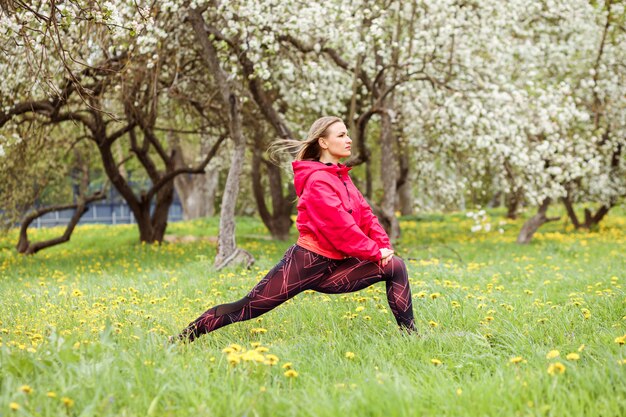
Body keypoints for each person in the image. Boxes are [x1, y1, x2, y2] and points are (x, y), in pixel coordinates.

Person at [175, 116, 415, 342]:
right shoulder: (318, 180)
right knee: (247, 308)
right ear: (323, 142)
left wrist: (384, 247)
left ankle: (410, 338)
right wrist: (374, 252)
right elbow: (340, 227)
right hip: (305, 263)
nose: (349, 139)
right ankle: (180, 340)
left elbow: (366, 216)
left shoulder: (341, 177)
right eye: (341, 135)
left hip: (334, 267)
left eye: (347, 135)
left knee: (395, 267)